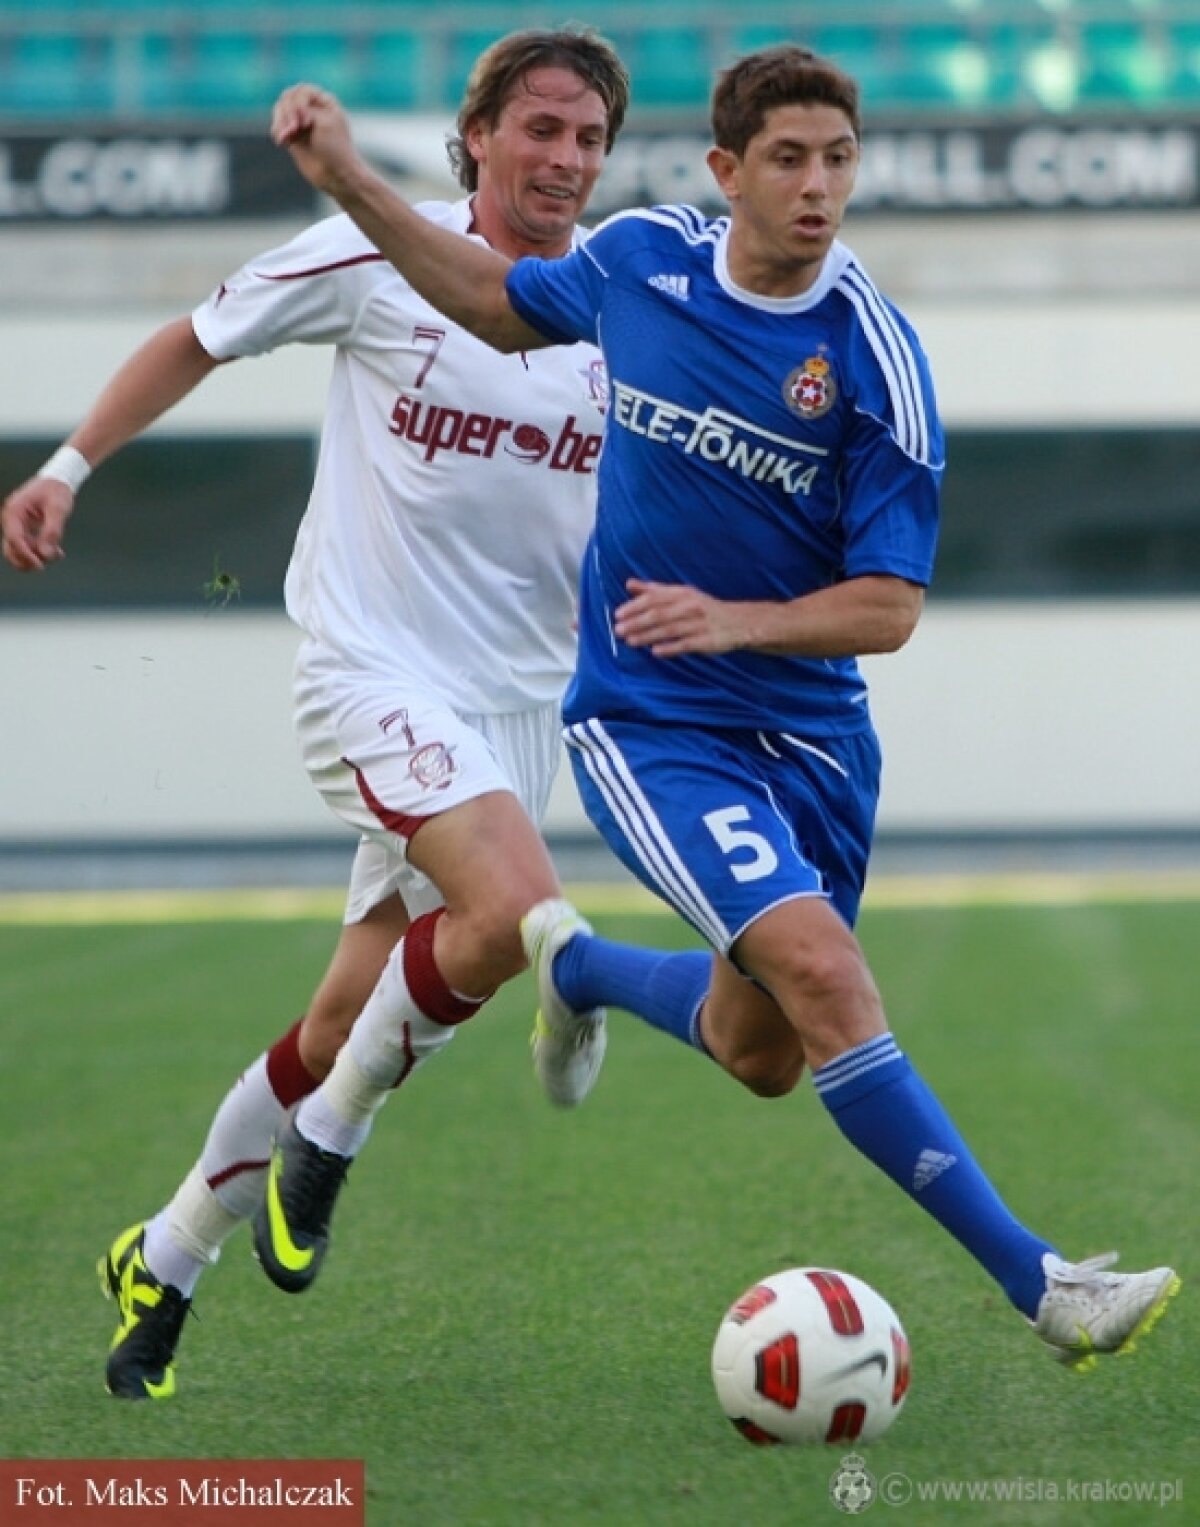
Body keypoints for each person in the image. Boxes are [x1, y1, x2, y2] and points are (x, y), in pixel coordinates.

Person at [263, 42, 1180, 1372]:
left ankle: (572, 965)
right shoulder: (643, 263)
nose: (819, 188)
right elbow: (496, 299)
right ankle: (1044, 1284)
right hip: (651, 723)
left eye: (839, 161)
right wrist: (347, 178)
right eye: (791, 160)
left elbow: (891, 606)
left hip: (815, 738)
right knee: (825, 976)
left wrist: (741, 619)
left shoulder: (875, 362)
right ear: (727, 172)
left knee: (761, 1051)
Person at [1, 27, 630, 1400]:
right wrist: (66, 466)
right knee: (520, 913)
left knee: (348, 1014)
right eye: (541, 128)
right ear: (474, 138)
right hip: (371, 675)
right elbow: (199, 335)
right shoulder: (370, 256)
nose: (567, 159)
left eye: (589, 138)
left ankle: (163, 1256)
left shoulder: (615, 310)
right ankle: (328, 1150)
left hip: (518, 715)